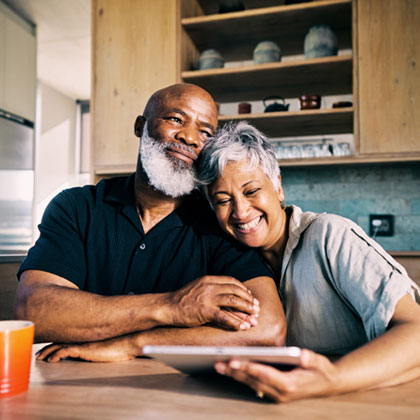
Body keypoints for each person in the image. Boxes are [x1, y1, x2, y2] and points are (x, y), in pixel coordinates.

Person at [15, 84, 285, 362]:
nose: (190, 137)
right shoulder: (76, 207)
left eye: (205, 132)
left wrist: (136, 343)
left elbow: (269, 329)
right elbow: (33, 311)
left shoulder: (218, 222)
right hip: (70, 386)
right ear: (140, 126)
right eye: (176, 120)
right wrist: (171, 307)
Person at [194, 121, 420, 402]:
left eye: (251, 191)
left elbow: (416, 331)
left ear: (277, 186)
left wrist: (330, 380)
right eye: (223, 200)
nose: (240, 211)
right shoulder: (232, 266)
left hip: (373, 400)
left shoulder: (329, 236)